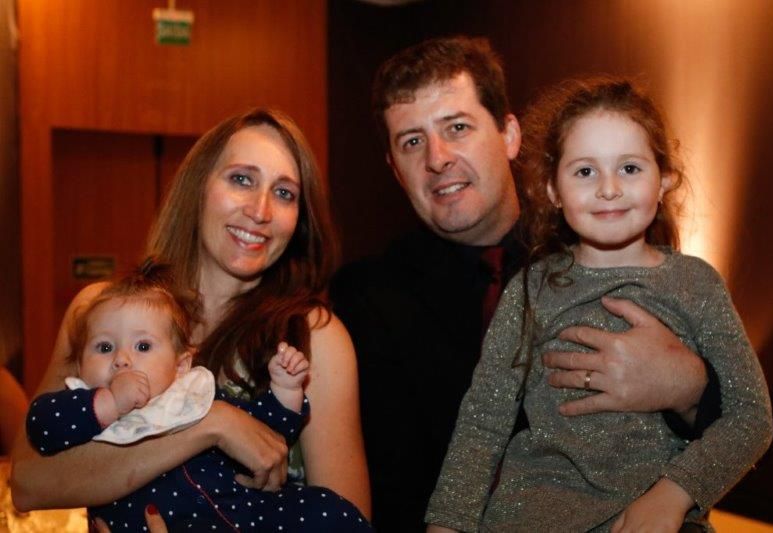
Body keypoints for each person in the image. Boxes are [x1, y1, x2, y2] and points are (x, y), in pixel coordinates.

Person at [330, 36, 720, 532]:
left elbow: (752, 420)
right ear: (394, 169)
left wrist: (687, 386)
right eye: (411, 141)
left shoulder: (612, 248)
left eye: (457, 127)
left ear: (509, 135)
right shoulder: (366, 299)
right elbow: (390, 484)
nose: (437, 158)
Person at [425, 76, 773, 532]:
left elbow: (751, 417)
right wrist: (447, 523)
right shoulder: (530, 288)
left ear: (664, 179)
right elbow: (482, 422)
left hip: (658, 516)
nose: (609, 188)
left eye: (629, 168)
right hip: (531, 516)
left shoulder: (696, 283)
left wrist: (673, 495)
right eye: (585, 171)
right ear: (552, 190)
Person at [11, 108, 371, 523]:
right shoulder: (102, 314)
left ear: (299, 221)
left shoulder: (315, 337)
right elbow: (28, 481)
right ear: (198, 186)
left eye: (284, 193)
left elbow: (347, 520)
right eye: (242, 179)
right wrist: (210, 425)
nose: (261, 210)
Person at [26, 261, 371, 531]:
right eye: (104, 348)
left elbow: (264, 438)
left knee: (331, 511)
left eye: (143, 346)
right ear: (80, 365)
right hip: (166, 523)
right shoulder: (81, 403)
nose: (122, 359)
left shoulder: (192, 396)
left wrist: (286, 391)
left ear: (180, 365)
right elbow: (42, 427)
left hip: (242, 512)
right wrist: (109, 403)